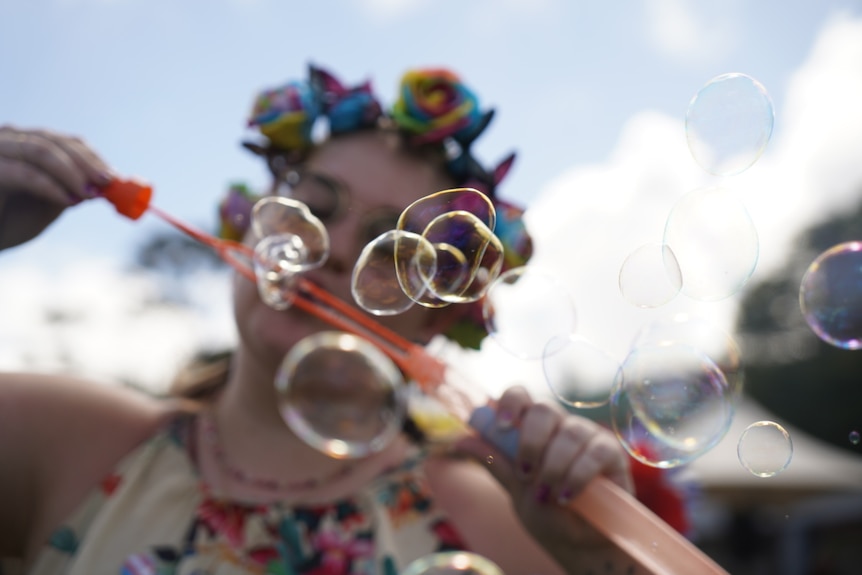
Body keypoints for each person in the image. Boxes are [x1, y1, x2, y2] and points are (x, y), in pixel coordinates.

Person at [0, 65, 652, 575]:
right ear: (247, 230)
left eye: (393, 246)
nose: (336, 248)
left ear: (437, 318)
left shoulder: (506, 524)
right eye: (312, 205)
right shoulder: (56, 439)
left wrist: (595, 556)